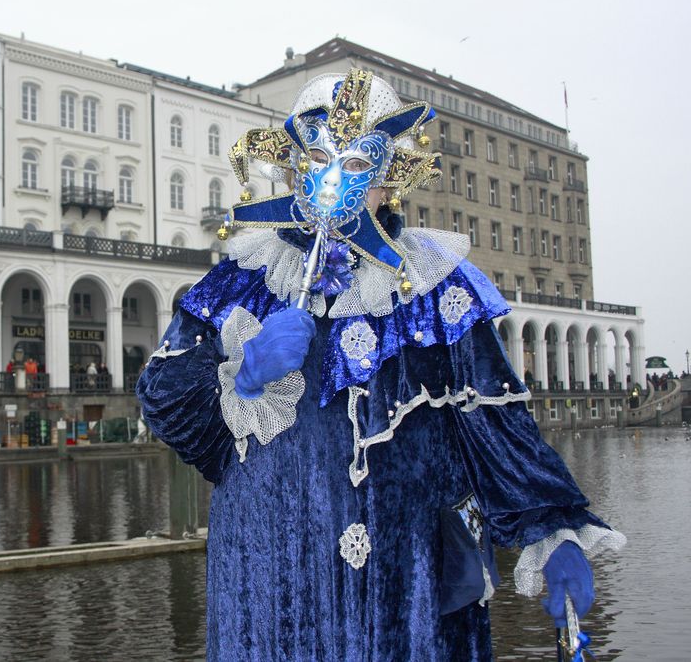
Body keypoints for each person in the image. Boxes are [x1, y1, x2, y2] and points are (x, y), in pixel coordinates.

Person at [137, 69, 624, 660]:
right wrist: (244, 374)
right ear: (294, 164)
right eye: (318, 156)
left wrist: (553, 531)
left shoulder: (436, 285)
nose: (334, 178)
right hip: (273, 567)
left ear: (390, 175)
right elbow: (163, 397)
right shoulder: (242, 281)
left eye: (358, 164)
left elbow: (494, 423)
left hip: (400, 571)